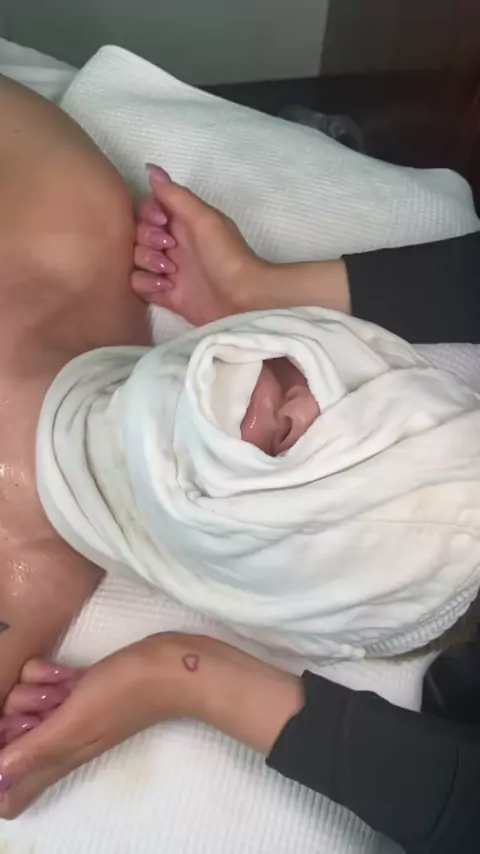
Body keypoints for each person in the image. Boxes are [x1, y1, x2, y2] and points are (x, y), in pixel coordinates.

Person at [0, 76, 478, 852]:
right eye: (358, 394)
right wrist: (260, 286)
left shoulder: (16, 603)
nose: (295, 409)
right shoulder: (69, 213)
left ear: (233, 587)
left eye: (296, 460)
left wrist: (181, 677)